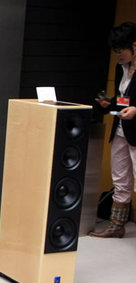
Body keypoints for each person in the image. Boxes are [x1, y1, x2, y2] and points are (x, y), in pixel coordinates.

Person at [91, 21, 136, 238]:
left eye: (121, 51)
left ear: (134, 45)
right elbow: (123, 100)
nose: (118, 56)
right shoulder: (122, 69)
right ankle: (116, 225)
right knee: (120, 178)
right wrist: (110, 104)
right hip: (121, 129)